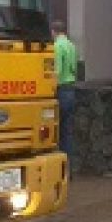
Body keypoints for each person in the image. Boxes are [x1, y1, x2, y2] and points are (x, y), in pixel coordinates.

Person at [51, 20, 78, 162]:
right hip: (71, 90)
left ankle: (58, 166)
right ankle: (69, 166)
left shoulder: (57, 46)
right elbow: (75, 68)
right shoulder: (72, 46)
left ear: (54, 31)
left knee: (56, 131)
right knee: (67, 132)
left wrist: (50, 89)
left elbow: (57, 71)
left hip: (61, 91)